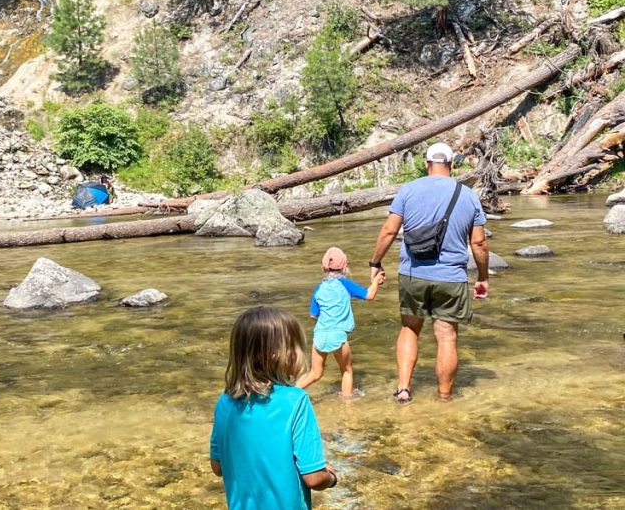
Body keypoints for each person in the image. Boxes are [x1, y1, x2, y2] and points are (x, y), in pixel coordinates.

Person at [369, 142, 490, 404]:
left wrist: (375, 262)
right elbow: (479, 243)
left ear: (426, 164)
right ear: (452, 164)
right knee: (446, 337)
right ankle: (444, 398)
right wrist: (482, 277)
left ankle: (403, 389)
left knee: (409, 329)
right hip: (452, 277)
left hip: (414, 275)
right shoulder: (467, 194)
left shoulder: (409, 190)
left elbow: (389, 231)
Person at [210, 306, 338, 510]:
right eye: (295, 346)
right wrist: (330, 477)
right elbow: (314, 478)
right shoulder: (296, 401)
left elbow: (218, 467)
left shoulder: (224, 402)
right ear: (276, 355)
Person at [296, 247, 385, 398]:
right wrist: (376, 281)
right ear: (345, 266)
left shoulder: (318, 288)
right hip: (338, 336)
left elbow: (313, 315)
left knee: (315, 373)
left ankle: (292, 391)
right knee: (346, 371)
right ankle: (347, 405)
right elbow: (369, 295)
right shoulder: (345, 284)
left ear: (323, 267)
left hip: (320, 335)